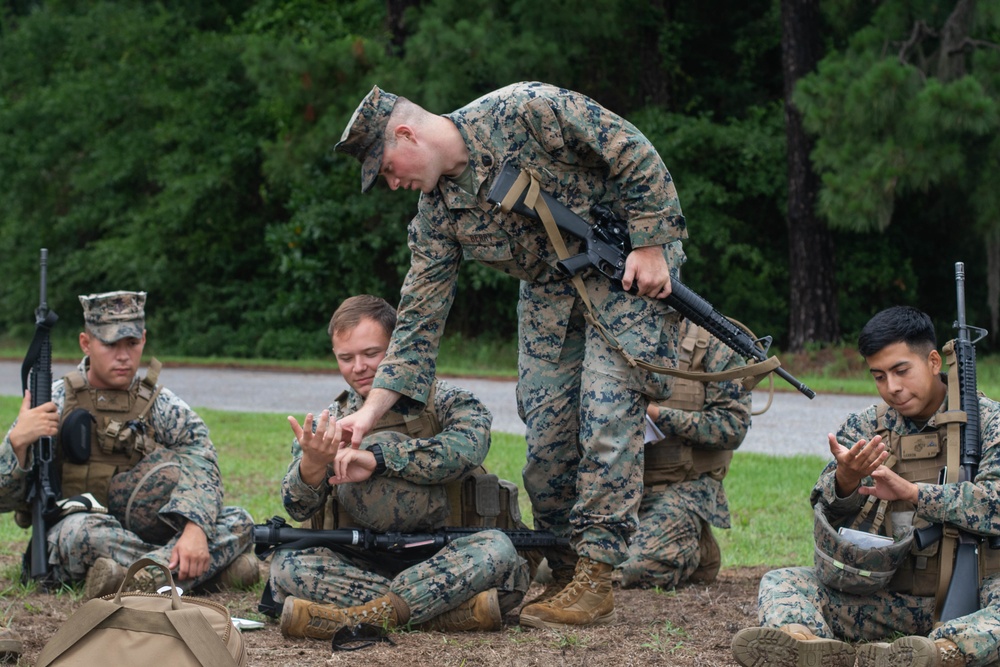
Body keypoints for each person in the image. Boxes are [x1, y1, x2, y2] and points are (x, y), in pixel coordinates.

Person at [333, 81, 687, 629]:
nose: (392, 182)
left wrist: (651, 241)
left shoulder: (524, 110)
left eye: (387, 168)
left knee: (607, 410)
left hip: (626, 267)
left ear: (406, 133)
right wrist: (368, 415)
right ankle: (569, 564)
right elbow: (418, 322)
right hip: (551, 294)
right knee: (546, 439)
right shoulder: (437, 213)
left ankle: (595, 576)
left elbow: (627, 146)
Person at [732, 306, 1000, 667]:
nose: (892, 388)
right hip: (895, 595)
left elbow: (995, 504)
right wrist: (846, 480)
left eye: (901, 371)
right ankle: (802, 644)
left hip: (985, 600)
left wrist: (912, 493)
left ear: (934, 361)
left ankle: (941, 653)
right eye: (879, 376)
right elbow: (825, 506)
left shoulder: (989, 422)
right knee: (785, 582)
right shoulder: (868, 426)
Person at [270, 295, 532, 639]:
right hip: (362, 561)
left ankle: (361, 617)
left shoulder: (447, 400)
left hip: (447, 555)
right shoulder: (330, 422)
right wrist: (312, 465)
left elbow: (466, 449)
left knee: (499, 550)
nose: (358, 367)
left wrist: (379, 459)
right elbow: (297, 506)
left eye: (371, 354)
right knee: (286, 566)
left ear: (397, 350)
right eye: (346, 358)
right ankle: (441, 614)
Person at [0, 291, 258, 607]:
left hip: (151, 529)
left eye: (132, 344)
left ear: (144, 340)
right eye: (110, 344)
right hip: (85, 530)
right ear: (85, 342)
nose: (123, 356)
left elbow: (201, 459)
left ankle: (129, 579)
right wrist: (18, 444)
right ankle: (205, 574)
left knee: (239, 521)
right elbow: (5, 498)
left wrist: (194, 529)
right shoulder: (54, 400)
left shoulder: (161, 404)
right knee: (85, 532)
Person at [618, 317, 751, 589]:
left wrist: (657, 415)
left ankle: (698, 548)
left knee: (639, 569)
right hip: (621, 487)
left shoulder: (713, 341)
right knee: (557, 566)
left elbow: (732, 427)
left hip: (683, 485)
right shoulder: (614, 333)